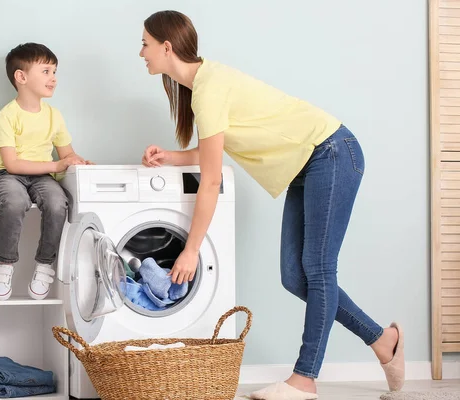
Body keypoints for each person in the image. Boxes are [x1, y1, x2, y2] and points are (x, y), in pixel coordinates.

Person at [138, 10, 404, 399]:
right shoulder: (204, 85)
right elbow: (212, 155)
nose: (141, 52)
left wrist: (191, 250)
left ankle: (305, 378)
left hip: (329, 152)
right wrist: (172, 157)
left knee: (317, 268)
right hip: (309, 164)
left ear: (166, 47)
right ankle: (383, 340)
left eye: (145, 44)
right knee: (295, 277)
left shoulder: (209, 89)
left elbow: (210, 180)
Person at [0, 43, 90, 301]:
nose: (53, 78)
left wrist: (77, 161)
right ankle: (5, 265)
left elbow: (66, 154)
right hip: (7, 176)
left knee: (58, 203)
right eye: (45, 71)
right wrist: (56, 166)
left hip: (42, 178)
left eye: (55, 71)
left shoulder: (54, 116)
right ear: (21, 77)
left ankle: (45, 265)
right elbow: (11, 164)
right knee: (15, 201)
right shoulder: (6, 116)